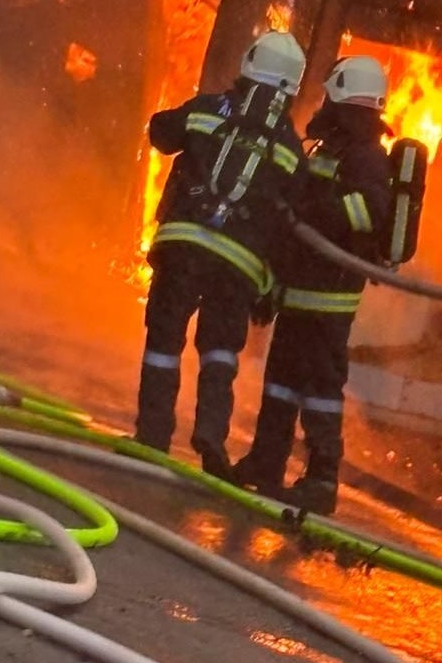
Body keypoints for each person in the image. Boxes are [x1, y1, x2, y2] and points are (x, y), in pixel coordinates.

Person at [134, 31, 307, 477]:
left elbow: (160, 133)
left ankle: (153, 435)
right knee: (220, 350)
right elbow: (292, 226)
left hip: (184, 247)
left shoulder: (208, 109)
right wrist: (271, 287)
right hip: (239, 267)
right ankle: (211, 436)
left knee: (164, 339)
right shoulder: (290, 146)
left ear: (249, 65)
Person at [232, 56, 392, 515]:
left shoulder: (365, 155)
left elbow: (370, 212)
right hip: (299, 292)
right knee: (281, 383)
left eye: (329, 96)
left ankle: (322, 480)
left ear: (343, 96)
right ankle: (266, 462)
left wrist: (311, 211)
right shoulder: (332, 149)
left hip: (329, 297)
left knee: (320, 390)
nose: (322, 104)